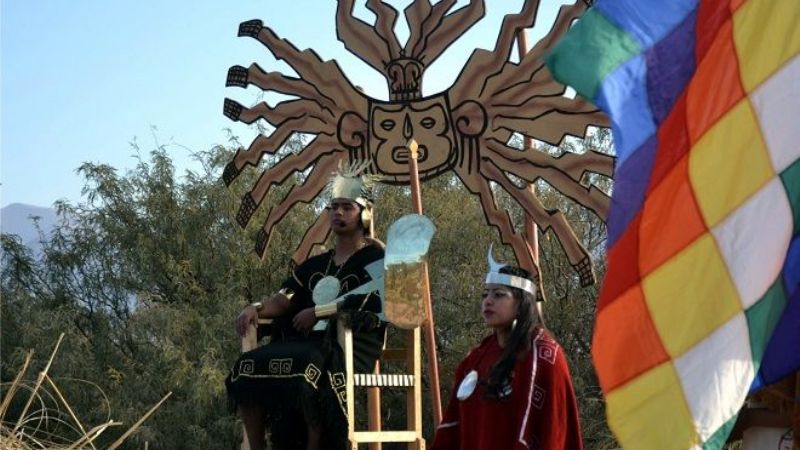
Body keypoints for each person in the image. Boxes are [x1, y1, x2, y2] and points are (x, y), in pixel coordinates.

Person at [226, 161, 385, 450]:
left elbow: (373, 305)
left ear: (364, 213)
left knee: (308, 367)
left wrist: (320, 312)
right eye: (333, 206)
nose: (337, 212)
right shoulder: (314, 264)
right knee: (247, 366)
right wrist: (256, 307)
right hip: (305, 341)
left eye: (346, 206)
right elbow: (283, 299)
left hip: (351, 344)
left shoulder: (377, 262)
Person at [431, 248, 584, 450]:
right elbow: (452, 428)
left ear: (521, 303)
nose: (488, 300)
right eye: (485, 294)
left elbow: (554, 431)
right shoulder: (475, 360)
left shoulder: (545, 356)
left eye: (499, 294)